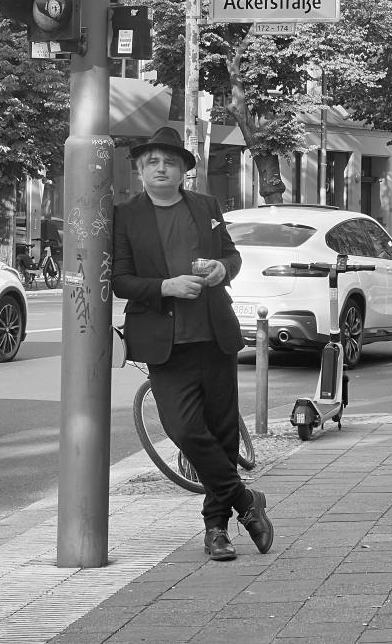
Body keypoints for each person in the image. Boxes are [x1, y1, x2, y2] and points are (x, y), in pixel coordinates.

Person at [112, 126, 273, 562]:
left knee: (222, 435)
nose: (161, 168)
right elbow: (120, 280)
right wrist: (165, 286)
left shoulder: (206, 206)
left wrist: (223, 269)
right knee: (183, 429)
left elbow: (232, 256)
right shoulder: (125, 216)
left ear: (184, 169)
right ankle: (245, 500)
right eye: (152, 163)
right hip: (165, 344)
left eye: (169, 162)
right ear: (141, 172)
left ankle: (216, 530)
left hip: (214, 333)